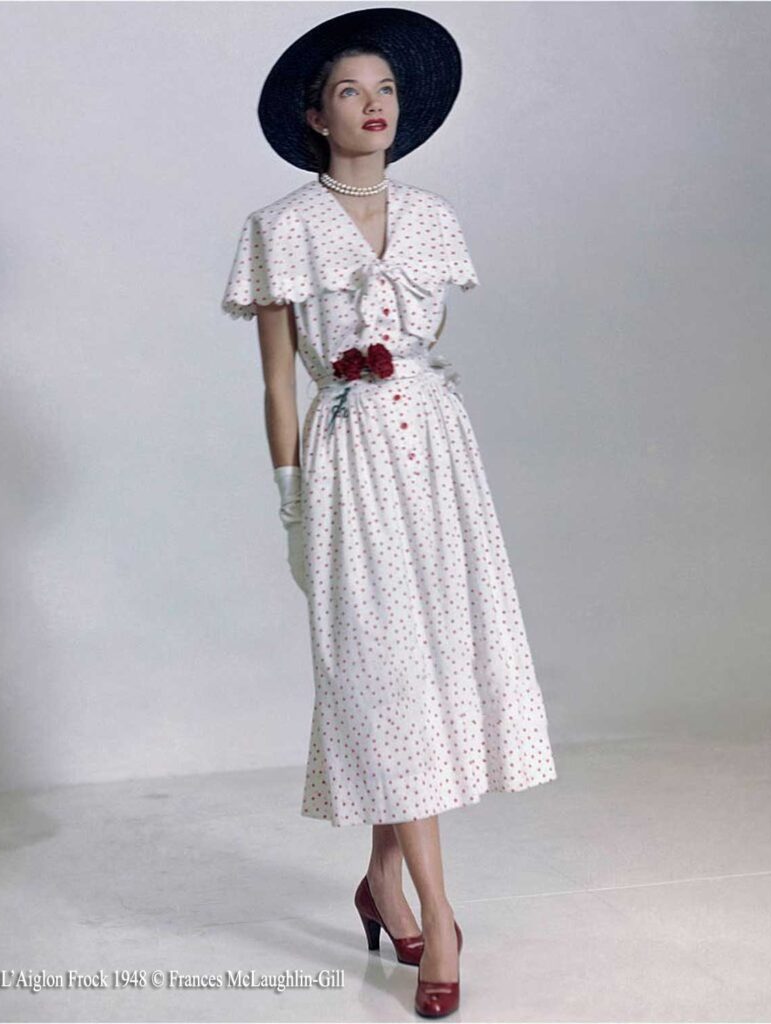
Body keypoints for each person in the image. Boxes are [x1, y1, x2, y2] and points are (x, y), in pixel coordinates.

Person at [220, 8, 557, 1018]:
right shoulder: (278, 228)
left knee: (424, 671)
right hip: (347, 458)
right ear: (314, 115)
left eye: (386, 92)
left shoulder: (434, 217)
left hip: (438, 452)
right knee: (383, 671)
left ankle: (381, 881)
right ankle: (438, 915)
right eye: (349, 93)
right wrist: (289, 506)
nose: (373, 108)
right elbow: (279, 384)